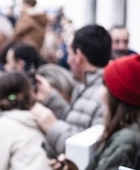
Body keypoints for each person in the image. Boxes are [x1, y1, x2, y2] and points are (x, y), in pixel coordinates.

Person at [31, 24, 113, 155]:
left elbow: (93, 148)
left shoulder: (105, 94)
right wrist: (50, 98)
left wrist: (53, 126)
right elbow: (77, 121)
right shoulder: (84, 86)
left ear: (79, 56)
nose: (68, 61)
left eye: (69, 54)